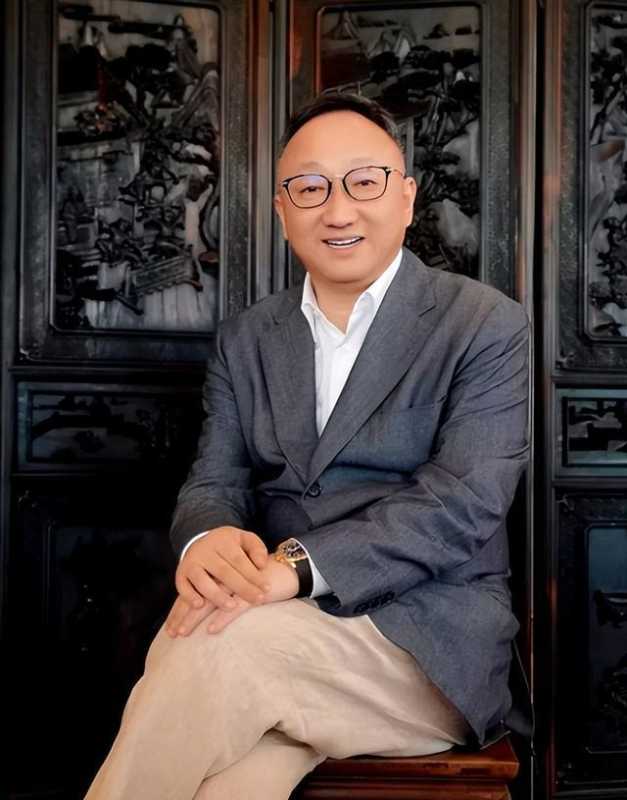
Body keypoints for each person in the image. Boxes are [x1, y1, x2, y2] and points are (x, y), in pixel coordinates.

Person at [85, 92, 530, 800]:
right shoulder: (246, 338)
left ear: (406, 197)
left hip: (424, 641)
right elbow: (215, 479)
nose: (338, 209)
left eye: (363, 182)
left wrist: (292, 569)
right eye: (311, 187)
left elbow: (465, 501)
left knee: (209, 640)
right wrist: (208, 541)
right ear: (282, 210)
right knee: (230, 780)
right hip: (274, 632)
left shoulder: (482, 324)